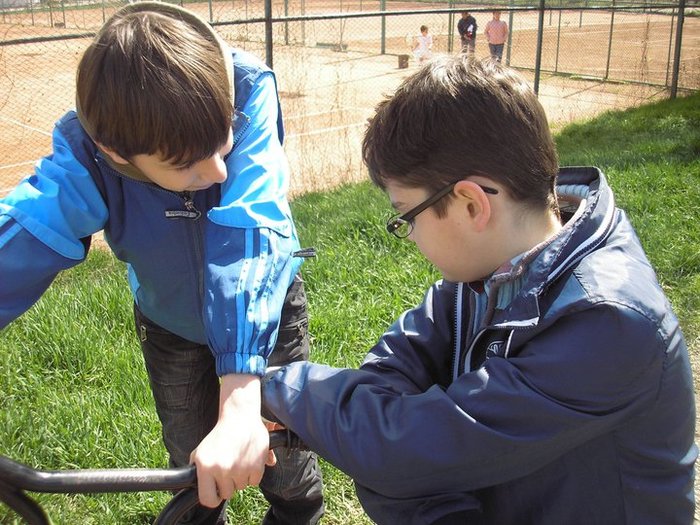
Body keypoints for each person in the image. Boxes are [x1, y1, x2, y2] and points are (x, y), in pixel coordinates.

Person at [261, 56, 696, 524]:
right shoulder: (488, 274)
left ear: (470, 204)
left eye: (406, 216)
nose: (409, 235)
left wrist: (270, 389)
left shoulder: (609, 323)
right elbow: (396, 369)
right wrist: (393, 457)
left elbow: (403, 450)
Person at [0, 3, 323, 524]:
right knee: (192, 462)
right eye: (187, 164)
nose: (218, 170)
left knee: (284, 457)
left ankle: (296, 512)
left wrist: (240, 395)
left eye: (223, 141)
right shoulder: (88, 155)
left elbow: (251, 224)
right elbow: (29, 228)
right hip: (169, 325)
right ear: (116, 153)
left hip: (265, 319)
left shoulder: (246, 88)